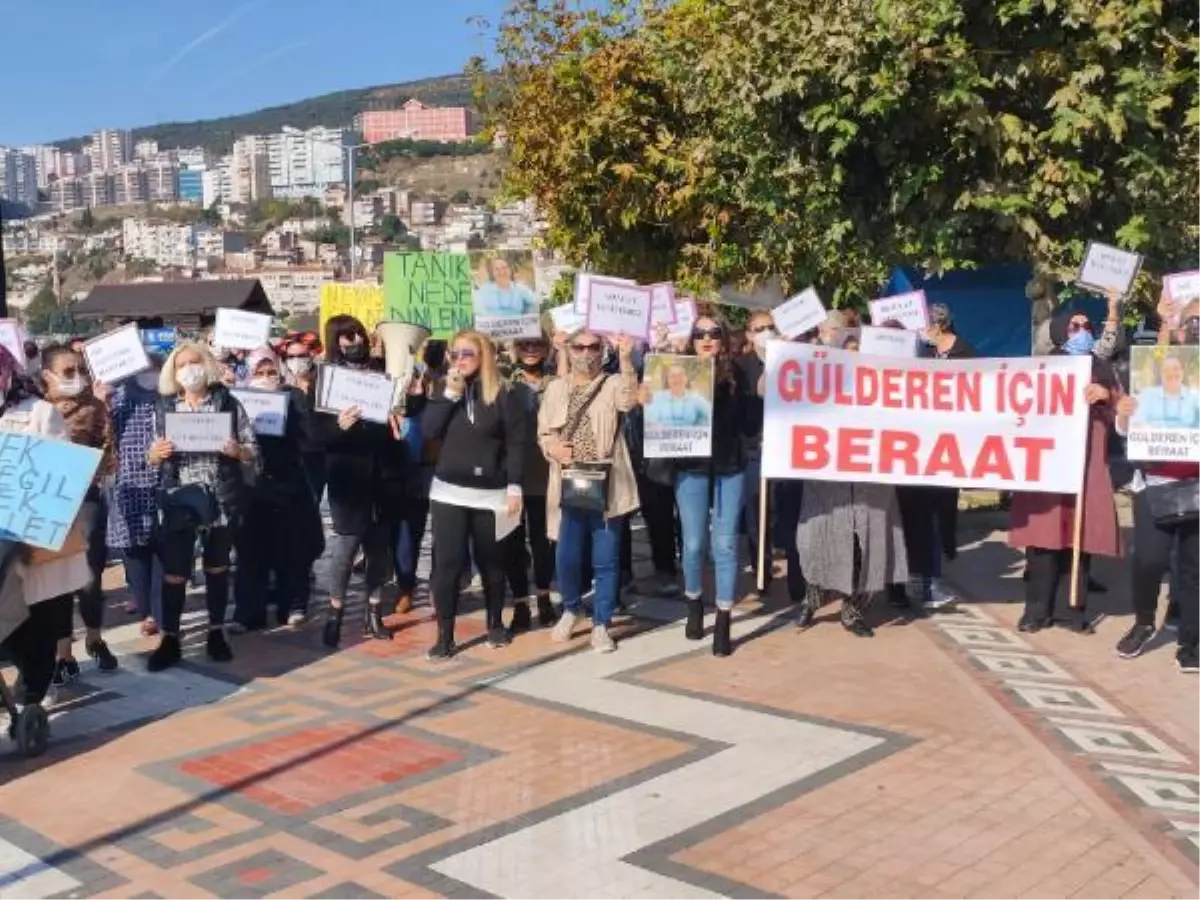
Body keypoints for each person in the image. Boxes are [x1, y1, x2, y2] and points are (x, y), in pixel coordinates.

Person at [146, 341, 260, 671]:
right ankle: (170, 638)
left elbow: (253, 449)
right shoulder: (165, 407)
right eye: (182, 365)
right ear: (173, 371)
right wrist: (156, 454)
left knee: (217, 567)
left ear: (207, 364)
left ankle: (215, 632)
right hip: (180, 497)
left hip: (220, 495)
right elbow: (151, 456)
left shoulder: (227, 402)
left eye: (195, 362)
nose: (189, 370)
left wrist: (239, 452)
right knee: (175, 573)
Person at [1009, 308, 1121, 633]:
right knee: (1043, 542)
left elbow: (1124, 411)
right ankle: (1036, 612)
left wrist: (1106, 396)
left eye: (1088, 326)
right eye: (1075, 326)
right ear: (1060, 331)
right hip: (1048, 468)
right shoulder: (1042, 369)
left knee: (1079, 541)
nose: (1083, 331)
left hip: (1086, 468)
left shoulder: (1102, 369)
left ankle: (1075, 611)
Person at [313, 315, 421, 647]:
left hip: (384, 473)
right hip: (348, 478)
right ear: (335, 341)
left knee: (379, 550)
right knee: (345, 550)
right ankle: (336, 612)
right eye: (347, 337)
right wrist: (339, 428)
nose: (355, 341)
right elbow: (317, 433)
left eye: (359, 334)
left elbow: (406, 407)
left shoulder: (382, 368)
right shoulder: (326, 378)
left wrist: (414, 394)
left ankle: (374, 612)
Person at [794, 329, 908, 637]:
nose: (855, 357)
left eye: (862, 351)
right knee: (820, 542)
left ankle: (854, 611)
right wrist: (780, 354)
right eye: (850, 350)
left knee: (870, 549)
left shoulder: (890, 390)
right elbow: (770, 388)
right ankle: (812, 598)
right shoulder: (820, 385)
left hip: (873, 485)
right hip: (829, 486)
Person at [422, 331, 527, 659]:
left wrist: (514, 486)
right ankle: (445, 634)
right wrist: (450, 394)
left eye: (467, 353)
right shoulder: (443, 388)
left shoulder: (504, 393)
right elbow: (429, 430)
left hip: (491, 493)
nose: (460, 359)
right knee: (448, 564)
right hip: (449, 493)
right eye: (455, 354)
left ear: (483, 355)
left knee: (493, 561)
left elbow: (517, 443)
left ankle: (494, 622)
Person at [0, 344, 89, 711]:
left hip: (29, 535)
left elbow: (60, 472)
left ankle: (33, 690)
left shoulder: (38, 413)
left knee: (35, 620)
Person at [659, 311, 753, 655]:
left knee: (725, 544)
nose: (707, 338)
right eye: (700, 334)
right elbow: (658, 416)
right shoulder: (674, 372)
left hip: (730, 468)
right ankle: (695, 602)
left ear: (724, 338)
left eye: (714, 332)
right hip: (691, 468)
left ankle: (724, 619)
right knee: (695, 543)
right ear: (691, 340)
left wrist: (759, 393)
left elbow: (750, 424)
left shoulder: (738, 373)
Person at [540, 328, 640, 652]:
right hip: (568, 484)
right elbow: (543, 432)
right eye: (579, 347)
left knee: (606, 558)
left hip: (606, 484)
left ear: (602, 350)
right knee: (567, 555)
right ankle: (571, 608)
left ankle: (602, 623)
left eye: (593, 346)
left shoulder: (611, 383)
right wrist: (553, 448)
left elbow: (629, 399)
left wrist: (626, 358)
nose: (586, 353)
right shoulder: (556, 388)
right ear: (568, 350)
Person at [1114, 298, 1200, 671]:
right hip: (1154, 483)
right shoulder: (1150, 371)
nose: (1197, 329)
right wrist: (1124, 416)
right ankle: (1144, 622)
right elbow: (1129, 429)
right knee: (1148, 560)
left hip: (1197, 486)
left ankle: (1192, 643)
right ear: (1180, 327)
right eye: (1193, 321)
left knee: (1194, 569)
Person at [231, 347, 325, 630]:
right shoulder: (236, 399)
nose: (265, 377)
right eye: (259, 372)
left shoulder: (293, 396)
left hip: (288, 481)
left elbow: (310, 437)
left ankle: (293, 605)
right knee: (250, 552)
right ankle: (249, 614)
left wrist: (298, 404)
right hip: (251, 484)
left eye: (271, 371)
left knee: (292, 549)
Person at [39, 345, 118, 680]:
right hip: (47, 501)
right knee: (55, 580)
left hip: (85, 497)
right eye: (68, 371)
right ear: (47, 376)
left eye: (80, 370)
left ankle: (95, 637)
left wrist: (91, 464)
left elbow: (109, 452)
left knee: (88, 574)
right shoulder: (34, 411)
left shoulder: (95, 408)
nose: (77, 377)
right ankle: (63, 654)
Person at [107, 356, 166, 637]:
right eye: (144, 370)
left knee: (163, 552)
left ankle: (160, 612)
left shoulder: (169, 399)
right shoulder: (118, 402)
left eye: (154, 369)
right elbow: (105, 439)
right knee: (136, 554)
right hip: (130, 487)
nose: (149, 375)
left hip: (166, 484)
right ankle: (146, 611)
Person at [504, 334, 558, 631]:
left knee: (543, 541)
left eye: (537, 344)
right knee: (512, 542)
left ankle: (545, 598)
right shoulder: (503, 380)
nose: (531, 350)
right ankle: (521, 604)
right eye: (524, 344)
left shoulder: (557, 381)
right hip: (511, 475)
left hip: (546, 472)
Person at [738, 310, 777, 593]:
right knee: (756, 512)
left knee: (781, 512)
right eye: (759, 328)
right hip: (755, 448)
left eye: (770, 327)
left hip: (786, 449)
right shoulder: (741, 366)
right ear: (750, 335)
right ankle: (761, 566)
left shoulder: (791, 361)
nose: (766, 332)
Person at [1130, 352, 1198, 427]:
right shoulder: (1147, 395)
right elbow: (1136, 425)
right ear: (1160, 374)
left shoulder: (1195, 397)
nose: (1171, 372)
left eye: (1176, 368)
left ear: (1182, 372)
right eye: (1166, 370)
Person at [643, 362, 712, 427]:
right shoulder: (657, 398)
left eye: (680, 375)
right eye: (673, 376)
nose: (677, 379)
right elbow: (650, 421)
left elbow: (710, 414)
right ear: (668, 380)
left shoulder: (695, 397)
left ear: (686, 379)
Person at [474, 257, 538, 317]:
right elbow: (477, 310)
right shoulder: (485, 291)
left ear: (510, 270)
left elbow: (535, 303)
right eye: (497, 269)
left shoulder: (520, 289)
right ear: (493, 273)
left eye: (504, 268)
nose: (502, 272)